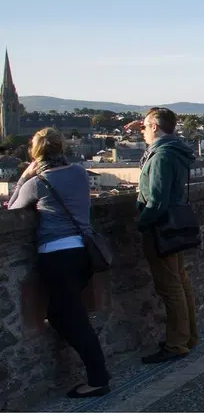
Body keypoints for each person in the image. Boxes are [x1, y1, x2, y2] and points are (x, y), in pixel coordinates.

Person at [5, 129, 111, 398]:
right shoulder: (78, 172)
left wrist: (24, 177)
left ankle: (98, 379)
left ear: (35, 152)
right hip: (83, 253)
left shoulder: (38, 182)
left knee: (73, 319)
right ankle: (93, 370)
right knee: (60, 313)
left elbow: (12, 210)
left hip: (57, 256)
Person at [129, 107, 199, 364]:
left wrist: (141, 223)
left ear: (156, 128)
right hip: (174, 224)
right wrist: (147, 123)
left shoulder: (161, 156)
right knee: (181, 283)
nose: (144, 132)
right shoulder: (175, 149)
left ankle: (177, 343)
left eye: (146, 128)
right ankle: (188, 336)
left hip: (161, 227)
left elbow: (156, 200)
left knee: (170, 288)